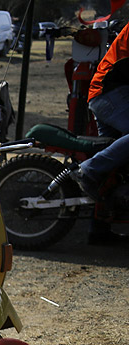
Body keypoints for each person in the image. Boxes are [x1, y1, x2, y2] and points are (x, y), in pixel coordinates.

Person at [75, 23, 129, 244]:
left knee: (117, 165)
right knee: (107, 162)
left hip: (108, 93)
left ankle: (99, 229)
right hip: (110, 93)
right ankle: (88, 170)